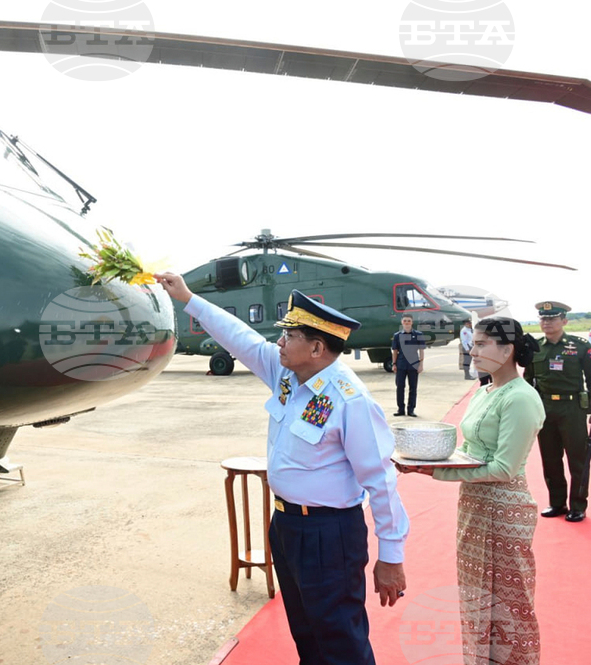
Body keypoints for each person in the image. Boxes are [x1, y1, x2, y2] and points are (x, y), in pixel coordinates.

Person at [155, 274, 408, 665]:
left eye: (289, 336)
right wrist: (188, 298)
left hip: (330, 534)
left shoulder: (349, 400)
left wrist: (391, 554)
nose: (279, 342)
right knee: (306, 634)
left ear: (317, 347)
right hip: (287, 527)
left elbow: (380, 478)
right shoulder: (288, 375)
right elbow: (240, 337)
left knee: (340, 639)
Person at [398, 316, 545, 665]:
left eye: (481, 344)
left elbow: (504, 468)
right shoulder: (484, 391)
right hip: (475, 505)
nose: (472, 350)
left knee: (510, 605)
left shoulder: (521, 398)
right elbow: (471, 451)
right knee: (476, 597)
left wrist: (434, 470)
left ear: (507, 350)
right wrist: (428, 459)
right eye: (473, 343)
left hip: (505, 511)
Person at [523, 301, 591, 522]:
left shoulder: (581, 346)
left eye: (552, 318)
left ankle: (578, 505)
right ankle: (557, 503)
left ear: (564, 321)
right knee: (550, 458)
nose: (547, 322)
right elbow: (528, 381)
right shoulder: (535, 347)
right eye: (543, 318)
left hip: (572, 408)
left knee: (578, 459)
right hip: (545, 408)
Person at [391, 315, 426, 417]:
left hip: (414, 365)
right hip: (401, 364)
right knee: (400, 387)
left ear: (412, 322)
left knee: (413, 388)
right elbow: (395, 351)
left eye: (409, 321)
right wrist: (394, 364)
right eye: (405, 321)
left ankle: (411, 409)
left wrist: (421, 364)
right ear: (402, 322)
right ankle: (400, 409)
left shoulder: (418, 334)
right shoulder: (397, 335)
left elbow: (421, 350)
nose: (407, 323)